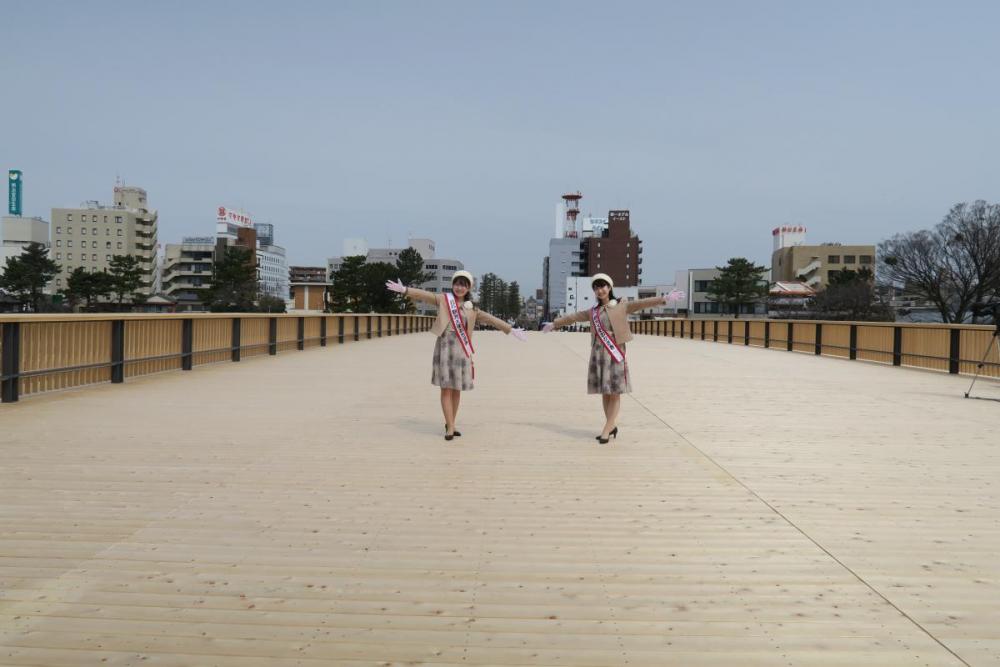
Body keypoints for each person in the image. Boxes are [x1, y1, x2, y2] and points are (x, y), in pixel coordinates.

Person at [543, 273, 683, 443]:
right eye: (596, 287)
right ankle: (611, 426)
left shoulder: (621, 306)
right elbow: (573, 317)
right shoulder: (592, 311)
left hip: (615, 352)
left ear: (609, 288)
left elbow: (641, 303)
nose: (600, 290)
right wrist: (555, 324)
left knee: (615, 392)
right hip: (598, 354)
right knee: (605, 391)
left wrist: (664, 298)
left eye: (603, 286)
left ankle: (606, 428)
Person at [387, 271, 527, 440]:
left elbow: (491, 319)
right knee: (446, 389)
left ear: (468, 288)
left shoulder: (472, 308)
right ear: (453, 285)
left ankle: (451, 422)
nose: (459, 287)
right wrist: (405, 290)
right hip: (445, 347)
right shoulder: (444, 300)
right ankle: (450, 426)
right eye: (457, 284)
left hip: (462, 351)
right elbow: (425, 295)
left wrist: (510, 329)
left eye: (463, 284)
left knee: (456, 390)